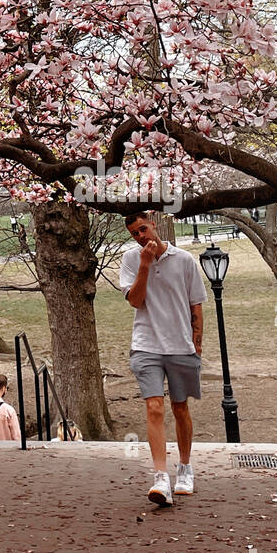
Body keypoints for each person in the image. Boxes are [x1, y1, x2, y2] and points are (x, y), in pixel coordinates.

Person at [120, 210, 206, 508]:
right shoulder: (131, 260)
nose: (141, 236)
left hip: (180, 346)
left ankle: (184, 467)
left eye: (143, 229)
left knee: (180, 408)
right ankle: (160, 477)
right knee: (154, 407)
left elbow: (196, 307)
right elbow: (135, 301)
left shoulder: (184, 260)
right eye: (135, 234)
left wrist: (197, 348)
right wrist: (144, 265)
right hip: (146, 345)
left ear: (154, 224)